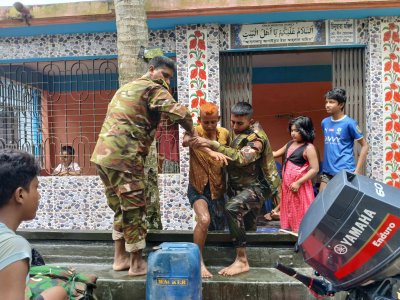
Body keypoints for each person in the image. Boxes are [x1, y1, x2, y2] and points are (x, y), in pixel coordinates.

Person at [90, 56, 194, 276]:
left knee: (121, 207)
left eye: (169, 78)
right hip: (125, 157)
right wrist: (192, 131)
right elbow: (179, 112)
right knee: (135, 208)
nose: (166, 81)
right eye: (164, 75)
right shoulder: (152, 87)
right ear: (152, 69)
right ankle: (137, 263)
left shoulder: (126, 88)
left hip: (103, 157)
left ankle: (120, 258)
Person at [191, 102, 281, 276]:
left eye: (240, 123)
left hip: (259, 186)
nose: (234, 126)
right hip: (240, 186)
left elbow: (241, 158)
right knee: (247, 226)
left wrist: (212, 145)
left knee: (231, 208)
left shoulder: (256, 138)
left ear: (250, 120)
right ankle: (252, 259)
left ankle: (242, 260)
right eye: (232, 122)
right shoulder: (234, 132)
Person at [0, 149, 67, 300]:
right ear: (20, 194)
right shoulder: (13, 245)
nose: (39, 195)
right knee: (59, 292)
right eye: (36, 187)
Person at [183, 102, 230, 278]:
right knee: (203, 219)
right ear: (199, 119)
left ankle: (217, 259)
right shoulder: (194, 130)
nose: (209, 125)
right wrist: (210, 149)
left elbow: (230, 153)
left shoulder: (224, 133)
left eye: (212, 122)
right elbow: (186, 141)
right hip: (198, 186)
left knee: (218, 227)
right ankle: (199, 261)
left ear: (218, 119)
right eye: (205, 122)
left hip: (218, 189)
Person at [273, 116, 319, 232]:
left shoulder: (309, 148)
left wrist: (298, 182)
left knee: (300, 210)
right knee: (289, 210)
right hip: (288, 186)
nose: (293, 133)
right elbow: (275, 153)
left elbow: (315, 169)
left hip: (300, 187)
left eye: (297, 130)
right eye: (292, 130)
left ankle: (301, 237)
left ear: (305, 130)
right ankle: (290, 235)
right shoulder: (289, 144)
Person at [319, 88, 369, 192]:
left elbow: (365, 145)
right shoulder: (324, 122)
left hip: (345, 171)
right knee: (322, 200)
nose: (327, 105)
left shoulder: (350, 123)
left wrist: (357, 171)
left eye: (331, 102)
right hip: (327, 172)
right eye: (326, 102)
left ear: (341, 105)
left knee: (342, 204)